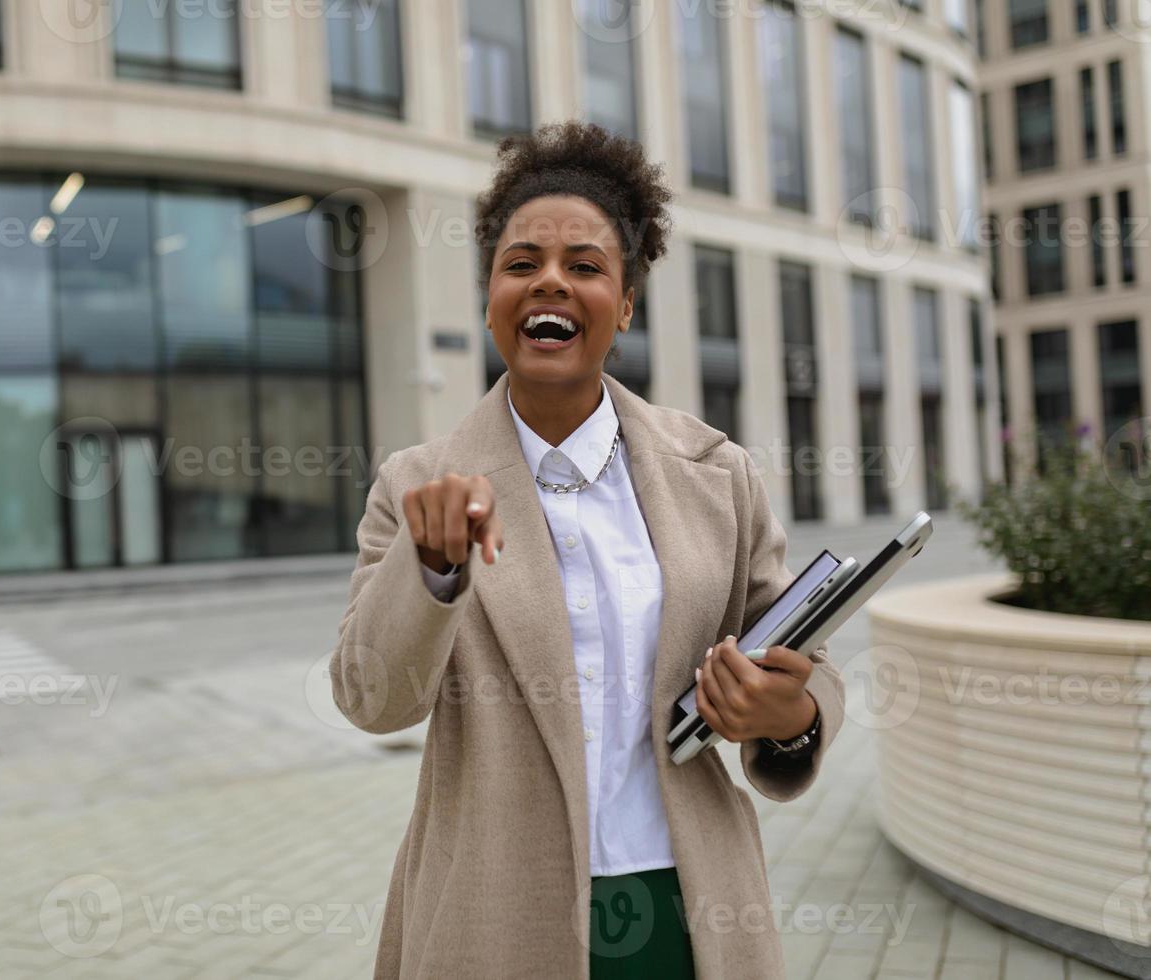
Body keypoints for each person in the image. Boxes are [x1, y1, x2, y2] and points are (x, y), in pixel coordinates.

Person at [329, 120, 845, 979]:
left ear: (627, 302)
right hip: (494, 914)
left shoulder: (717, 474)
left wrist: (789, 717)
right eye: (521, 263)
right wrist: (432, 568)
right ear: (491, 296)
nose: (551, 284)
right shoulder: (417, 485)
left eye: (586, 266)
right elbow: (373, 700)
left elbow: (805, 657)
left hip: (691, 908)